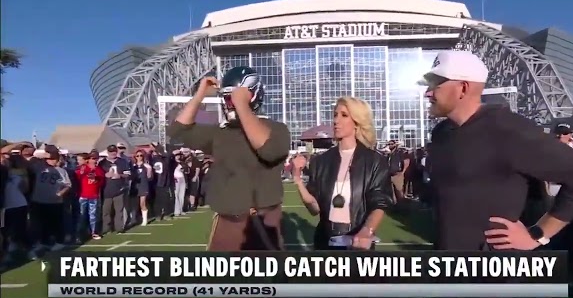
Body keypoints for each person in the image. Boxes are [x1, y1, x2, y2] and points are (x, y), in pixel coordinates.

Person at [423, 50, 573, 251]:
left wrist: (538, 234)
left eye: (435, 84)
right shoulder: (441, 132)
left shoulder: (508, 130)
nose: (428, 93)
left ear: (463, 88)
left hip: (492, 271)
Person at [168, 66, 290, 251]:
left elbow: (269, 150)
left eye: (233, 98)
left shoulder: (277, 129)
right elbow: (177, 130)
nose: (229, 103)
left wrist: (241, 105)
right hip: (226, 223)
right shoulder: (221, 133)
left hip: (263, 222)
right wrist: (200, 93)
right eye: (227, 99)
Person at [291, 97, 394, 250]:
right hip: (325, 242)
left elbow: (379, 203)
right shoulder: (321, 161)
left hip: (358, 242)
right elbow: (315, 209)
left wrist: (367, 230)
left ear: (357, 122)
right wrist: (298, 180)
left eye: (344, 115)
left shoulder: (374, 161)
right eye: (335, 114)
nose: (336, 120)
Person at [99, 144, 131, 235]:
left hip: (119, 189)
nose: (112, 153)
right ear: (107, 152)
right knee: (106, 211)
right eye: (110, 151)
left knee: (119, 210)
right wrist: (105, 175)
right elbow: (98, 175)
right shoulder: (102, 163)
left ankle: (119, 228)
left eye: (114, 151)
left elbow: (128, 174)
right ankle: (106, 228)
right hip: (106, 190)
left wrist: (120, 175)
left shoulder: (123, 162)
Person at [76, 152, 105, 241]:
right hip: (83, 196)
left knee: (93, 216)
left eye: (95, 158)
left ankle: (94, 232)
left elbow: (102, 180)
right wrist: (86, 169)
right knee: (81, 216)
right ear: (88, 159)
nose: (94, 160)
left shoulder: (99, 169)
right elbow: (78, 176)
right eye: (92, 158)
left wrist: (96, 176)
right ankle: (79, 235)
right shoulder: (83, 168)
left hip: (93, 195)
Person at [130, 150, 153, 226]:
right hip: (135, 186)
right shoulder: (133, 166)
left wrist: (149, 170)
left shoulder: (147, 166)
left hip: (143, 186)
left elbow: (149, 177)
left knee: (142, 203)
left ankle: (145, 220)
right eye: (137, 156)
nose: (139, 157)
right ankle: (134, 219)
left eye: (141, 155)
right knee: (134, 204)